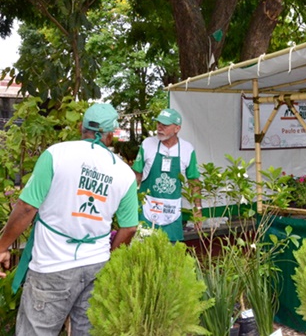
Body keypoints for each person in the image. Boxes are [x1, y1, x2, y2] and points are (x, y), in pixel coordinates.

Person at [0, 103, 139, 335]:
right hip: (96, 266)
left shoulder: (57, 154)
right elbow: (130, 228)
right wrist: (110, 260)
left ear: (80, 127)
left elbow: (26, 208)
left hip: (51, 266)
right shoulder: (124, 173)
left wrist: (2, 246)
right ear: (111, 134)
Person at [132, 108, 202, 241]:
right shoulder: (147, 144)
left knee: (172, 251)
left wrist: (197, 210)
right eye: (158, 123)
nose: (159, 127)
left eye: (165, 125)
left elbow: (194, 181)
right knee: (144, 251)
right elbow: (136, 176)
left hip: (172, 211)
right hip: (147, 208)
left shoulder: (187, 149)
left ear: (177, 128)